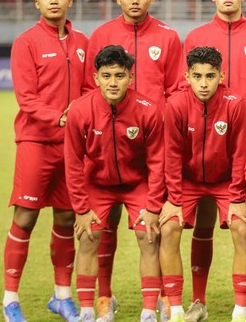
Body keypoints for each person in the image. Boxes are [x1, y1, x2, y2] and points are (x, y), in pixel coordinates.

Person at [83, 0, 184, 321]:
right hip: (107, 149)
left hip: (153, 148)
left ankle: (152, 298)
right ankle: (104, 297)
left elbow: (175, 91)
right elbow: (87, 90)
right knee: (101, 229)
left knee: (151, 230)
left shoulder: (169, 37)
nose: (135, 0)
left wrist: (160, 126)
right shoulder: (101, 35)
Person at [181, 0, 246, 321]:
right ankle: (198, 301)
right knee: (203, 222)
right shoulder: (195, 37)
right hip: (202, 146)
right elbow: (184, 85)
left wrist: (239, 117)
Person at [2, 0, 87, 322]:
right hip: (37, 141)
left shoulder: (83, 43)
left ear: (70, 0)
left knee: (67, 216)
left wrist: (81, 118)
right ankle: (10, 300)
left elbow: (90, 91)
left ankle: (61, 296)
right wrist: (60, 117)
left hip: (72, 146)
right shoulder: (26, 42)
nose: (54, 1)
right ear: (37, 2)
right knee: (26, 216)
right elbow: (26, 97)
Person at [65, 45, 164, 322]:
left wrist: (154, 206)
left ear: (130, 78)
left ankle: (148, 312)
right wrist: (82, 210)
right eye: (106, 75)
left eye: (119, 76)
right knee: (88, 236)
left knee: (149, 235)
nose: (112, 82)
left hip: (137, 184)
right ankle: (87, 310)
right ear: (95, 78)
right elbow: (72, 162)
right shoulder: (80, 110)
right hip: (97, 184)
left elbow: (158, 162)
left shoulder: (148, 110)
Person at [160, 46, 246, 322]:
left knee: (241, 226)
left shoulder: (235, 104)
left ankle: (240, 310)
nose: (204, 84)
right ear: (187, 76)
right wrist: (174, 200)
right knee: (169, 228)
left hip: (226, 181)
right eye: (197, 76)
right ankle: (179, 309)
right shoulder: (176, 104)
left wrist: (237, 196)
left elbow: (241, 154)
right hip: (188, 182)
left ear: (221, 76)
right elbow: (172, 155)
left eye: (210, 76)